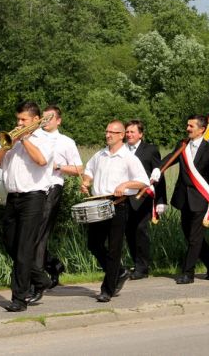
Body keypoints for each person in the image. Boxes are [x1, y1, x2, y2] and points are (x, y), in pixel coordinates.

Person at [0, 101, 54, 312]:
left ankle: (19, 298)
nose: (19, 123)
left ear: (35, 120)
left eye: (23, 119)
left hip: (34, 198)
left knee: (25, 249)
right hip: (12, 197)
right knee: (10, 244)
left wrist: (24, 139)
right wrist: (7, 144)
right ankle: (41, 279)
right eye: (18, 119)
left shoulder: (46, 139)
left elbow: (41, 161)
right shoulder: (12, 140)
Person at [81, 120, 150, 302]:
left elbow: (143, 181)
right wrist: (86, 181)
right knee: (94, 244)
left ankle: (107, 289)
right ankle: (120, 271)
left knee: (114, 248)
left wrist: (126, 184)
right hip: (98, 203)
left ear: (121, 135)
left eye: (112, 132)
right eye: (106, 131)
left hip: (117, 204)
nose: (108, 135)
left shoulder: (129, 158)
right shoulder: (100, 155)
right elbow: (89, 170)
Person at [163, 114, 209, 284]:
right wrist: (157, 170)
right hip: (183, 198)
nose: (187, 128)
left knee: (195, 238)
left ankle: (188, 273)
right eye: (187, 125)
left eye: (191, 126)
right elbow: (169, 159)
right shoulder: (183, 145)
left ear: (202, 129)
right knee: (189, 235)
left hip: (200, 199)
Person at [35, 105, 84, 290]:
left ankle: (36, 280)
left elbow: (79, 169)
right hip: (32, 189)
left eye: (50, 118)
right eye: (43, 118)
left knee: (40, 234)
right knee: (26, 235)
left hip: (52, 188)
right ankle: (52, 265)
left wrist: (58, 167)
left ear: (58, 121)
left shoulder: (66, 142)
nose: (45, 121)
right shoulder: (33, 137)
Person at [123, 119, 165, 280]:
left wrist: (161, 200)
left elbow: (159, 174)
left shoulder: (150, 150)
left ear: (140, 134)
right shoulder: (122, 150)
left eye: (132, 132)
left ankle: (142, 268)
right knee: (129, 232)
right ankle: (136, 263)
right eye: (127, 132)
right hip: (124, 198)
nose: (129, 135)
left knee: (140, 231)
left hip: (143, 198)